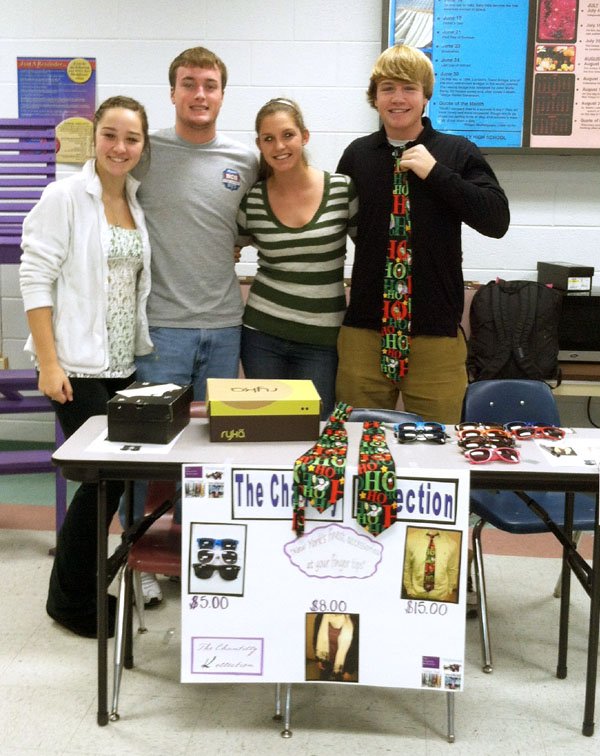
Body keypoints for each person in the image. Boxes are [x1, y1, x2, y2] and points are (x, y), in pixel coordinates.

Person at [128, 47, 258, 604]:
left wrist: (237, 242)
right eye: (189, 83)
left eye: (209, 84)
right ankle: (139, 559)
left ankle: (197, 552)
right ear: (173, 91)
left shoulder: (246, 157)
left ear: (222, 94)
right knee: (149, 449)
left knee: (210, 453)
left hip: (225, 324)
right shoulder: (145, 152)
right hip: (163, 327)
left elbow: (262, 219)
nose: (199, 94)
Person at [19, 96, 152, 638]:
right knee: (103, 481)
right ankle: (71, 603)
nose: (120, 148)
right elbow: (34, 278)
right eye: (111, 135)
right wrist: (49, 364)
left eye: (132, 139)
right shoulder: (65, 196)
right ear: (94, 138)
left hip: (120, 365)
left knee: (111, 482)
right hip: (74, 368)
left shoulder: (134, 202)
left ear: (143, 146)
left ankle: (82, 588)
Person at [335, 44, 510, 423]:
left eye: (409, 88)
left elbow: (496, 221)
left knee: (440, 456)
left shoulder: (456, 152)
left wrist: (437, 173)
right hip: (365, 331)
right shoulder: (357, 155)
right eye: (387, 88)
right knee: (355, 447)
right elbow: (337, 223)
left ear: (426, 95)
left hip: (435, 336)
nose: (398, 98)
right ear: (375, 98)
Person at [236, 98, 357, 418]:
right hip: (262, 336)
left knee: (315, 431)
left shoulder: (342, 191)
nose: (279, 146)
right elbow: (225, 249)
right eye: (268, 139)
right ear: (259, 144)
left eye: (287, 135)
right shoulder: (253, 199)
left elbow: (374, 250)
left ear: (305, 136)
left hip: (322, 343)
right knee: (265, 428)